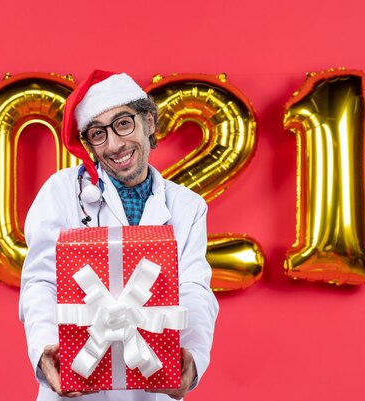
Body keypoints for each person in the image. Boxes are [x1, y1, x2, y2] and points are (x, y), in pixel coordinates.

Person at [19, 70, 218, 401]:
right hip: (79, 386)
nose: (114, 145)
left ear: (149, 121)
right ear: (89, 145)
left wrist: (192, 356)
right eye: (98, 134)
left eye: (124, 123)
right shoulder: (61, 192)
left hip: (153, 383)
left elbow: (194, 289)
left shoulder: (187, 207)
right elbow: (40, 282)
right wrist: (44, 349)